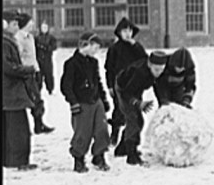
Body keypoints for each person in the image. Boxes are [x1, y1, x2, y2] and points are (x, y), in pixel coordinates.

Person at [60, 32, 112, 173]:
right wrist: (73, 102)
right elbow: (66, 86)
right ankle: (79, 158)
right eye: (95, 47)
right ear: (86, 45)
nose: (97, 51)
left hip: (96, 100)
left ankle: (99, 155)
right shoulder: (71, 64)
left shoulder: (94, 62)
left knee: (102, 129)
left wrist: (104, 99)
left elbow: (98, 82)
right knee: (83, 132)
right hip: (82, 103)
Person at [113, 51, 168, 165]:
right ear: (149, 64)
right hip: (123, 89)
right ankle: (131, 154)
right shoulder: (138, 72)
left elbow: (159, 88)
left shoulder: (157, 73)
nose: (159, 73)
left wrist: (163, 104)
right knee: (133, 120)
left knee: (138, 121)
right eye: (156, 70)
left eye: (162, 69)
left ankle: (122, 149)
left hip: (136, 90)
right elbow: (126, 93)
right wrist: (138, 103)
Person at [2, 10, 39, 171]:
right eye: (14, 24)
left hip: (11, 93)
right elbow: (8, 67)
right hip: (11, 93)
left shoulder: (7, 40)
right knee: (18, 130)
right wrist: (27, 70)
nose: (17, 27)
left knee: (13, 128)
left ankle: (11, 160)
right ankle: (18, 161)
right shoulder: (4, 42)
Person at [105, 17, 147, 147]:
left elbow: (145, 61)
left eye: (129, 30)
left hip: (134, 85)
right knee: (119, 110)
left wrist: (134, 45)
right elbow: (109, 68)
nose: (127, 33)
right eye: (124, 31)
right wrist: (110, 86)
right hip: (119, 85)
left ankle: (131, 137)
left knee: (135, 111)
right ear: (119, 32)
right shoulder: (114, 48)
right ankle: (114, 133)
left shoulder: (137, 47)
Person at [15, 13, 54, 134]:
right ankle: (29, 127)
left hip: (33, 72)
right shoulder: (18, 38)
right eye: (30, 22)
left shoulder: (31, 37)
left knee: (37, 99)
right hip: (24, 74)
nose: (32, 24)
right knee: (30, 100)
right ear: (25, 24)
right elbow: (18, 56)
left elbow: (33, 56)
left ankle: (39, 125)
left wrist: (37, 70)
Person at [35, 20, 57, 95]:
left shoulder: (51, 37)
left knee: (49, 75)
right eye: (43, 27)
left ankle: (50, 89)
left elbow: (54, 46)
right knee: (39, 75)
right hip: (39, 59)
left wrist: (47, 48)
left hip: (47, 59)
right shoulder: (37, 37)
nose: (44, 29)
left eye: (45, 27)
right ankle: (38, 89)